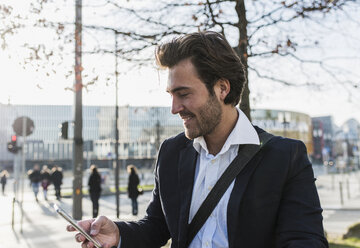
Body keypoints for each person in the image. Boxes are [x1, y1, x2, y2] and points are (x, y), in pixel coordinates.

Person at [68, 31, 328, 248]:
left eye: (183, 94)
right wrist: (119, 233)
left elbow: (305, 240)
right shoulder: (171, 151)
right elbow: (157, 225)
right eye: (171, 94)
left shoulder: (285, 156)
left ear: (222, 89)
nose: (174, 108)